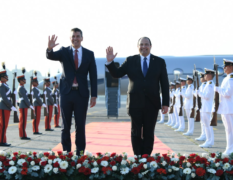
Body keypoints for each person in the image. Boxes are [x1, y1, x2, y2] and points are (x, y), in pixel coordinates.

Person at [105, 37, 169, 156]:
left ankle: (146, 157)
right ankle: (138, 157)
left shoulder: (159, 62)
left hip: (152, 103)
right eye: (141, 44)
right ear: (137, 46)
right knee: (135, 132)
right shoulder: (130, 60)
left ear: (150, 46)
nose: (143, 47)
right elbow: (117, 74)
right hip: (135, 103)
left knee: (149, 133)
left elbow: (164, 83)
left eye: (146, 44)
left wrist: (165, 103)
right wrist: (110, 63)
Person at [46, 28, 97, 156]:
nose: (75, 38)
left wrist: (94, 95)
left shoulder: (89, 54)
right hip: (66, 94)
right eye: (73, 36)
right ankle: (66, 152)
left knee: (80, 126)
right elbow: (51, 56)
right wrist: (49, 49)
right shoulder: (64, 51)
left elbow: (93, 76)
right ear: (70, 38)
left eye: (78, 36)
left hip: (81, 94)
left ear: (82, 38)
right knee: (65, 126)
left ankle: (80, 153)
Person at [214, 59, 233, 155]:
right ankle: (228, 149)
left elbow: (228, 93)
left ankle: (232, 150)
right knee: (227, 130)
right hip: (224, 108)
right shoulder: (226, 78)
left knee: (231, 130)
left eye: (225, 66)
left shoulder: (231, 78)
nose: (223, 68)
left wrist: (217, 89)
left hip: (229, 108)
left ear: (231, 67)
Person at [0, 63, 18, 146]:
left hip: (6, 107)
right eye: (5, 76)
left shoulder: (5, 85)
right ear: (2, 78)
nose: (7, 77)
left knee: (4, 125)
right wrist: (11, 106)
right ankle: (1, 141)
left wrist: (13, 94)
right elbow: (4, 98)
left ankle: (3, 140)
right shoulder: (1, 86)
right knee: (3, 125)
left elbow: (8, 96)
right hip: (3, 107)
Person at [198, 68, 215, 148]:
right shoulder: (208, 84)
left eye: (206, 74)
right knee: (206, 125)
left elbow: (207, 96)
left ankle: (209, 141)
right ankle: (208, 141)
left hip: (208, 108)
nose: (204, 76)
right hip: (205, 107)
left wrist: (199, 93)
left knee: (208, 126)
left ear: (210, 75)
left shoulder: (210, 85)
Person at [17, 68, 34, 140]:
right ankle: (22, 135)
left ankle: (23, 134)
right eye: (23, 80)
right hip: (23, 105)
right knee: (22, 121)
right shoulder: (21, 88)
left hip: (24, 105)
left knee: (24, 121)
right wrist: (29, 105)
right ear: (20, 81)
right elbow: (25, 98)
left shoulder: (22, 87)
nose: (25, 80)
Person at [194, 73, 207, 141]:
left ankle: (205, 135)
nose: (201, 78)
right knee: (202, 122)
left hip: (204, 106)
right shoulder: (202, 85)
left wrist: (198, 93)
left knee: (205, 123)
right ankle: (203, 134)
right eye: (201, 77)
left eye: (202, 77)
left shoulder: (206, 85)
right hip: (201, 105)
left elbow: (204, 96)